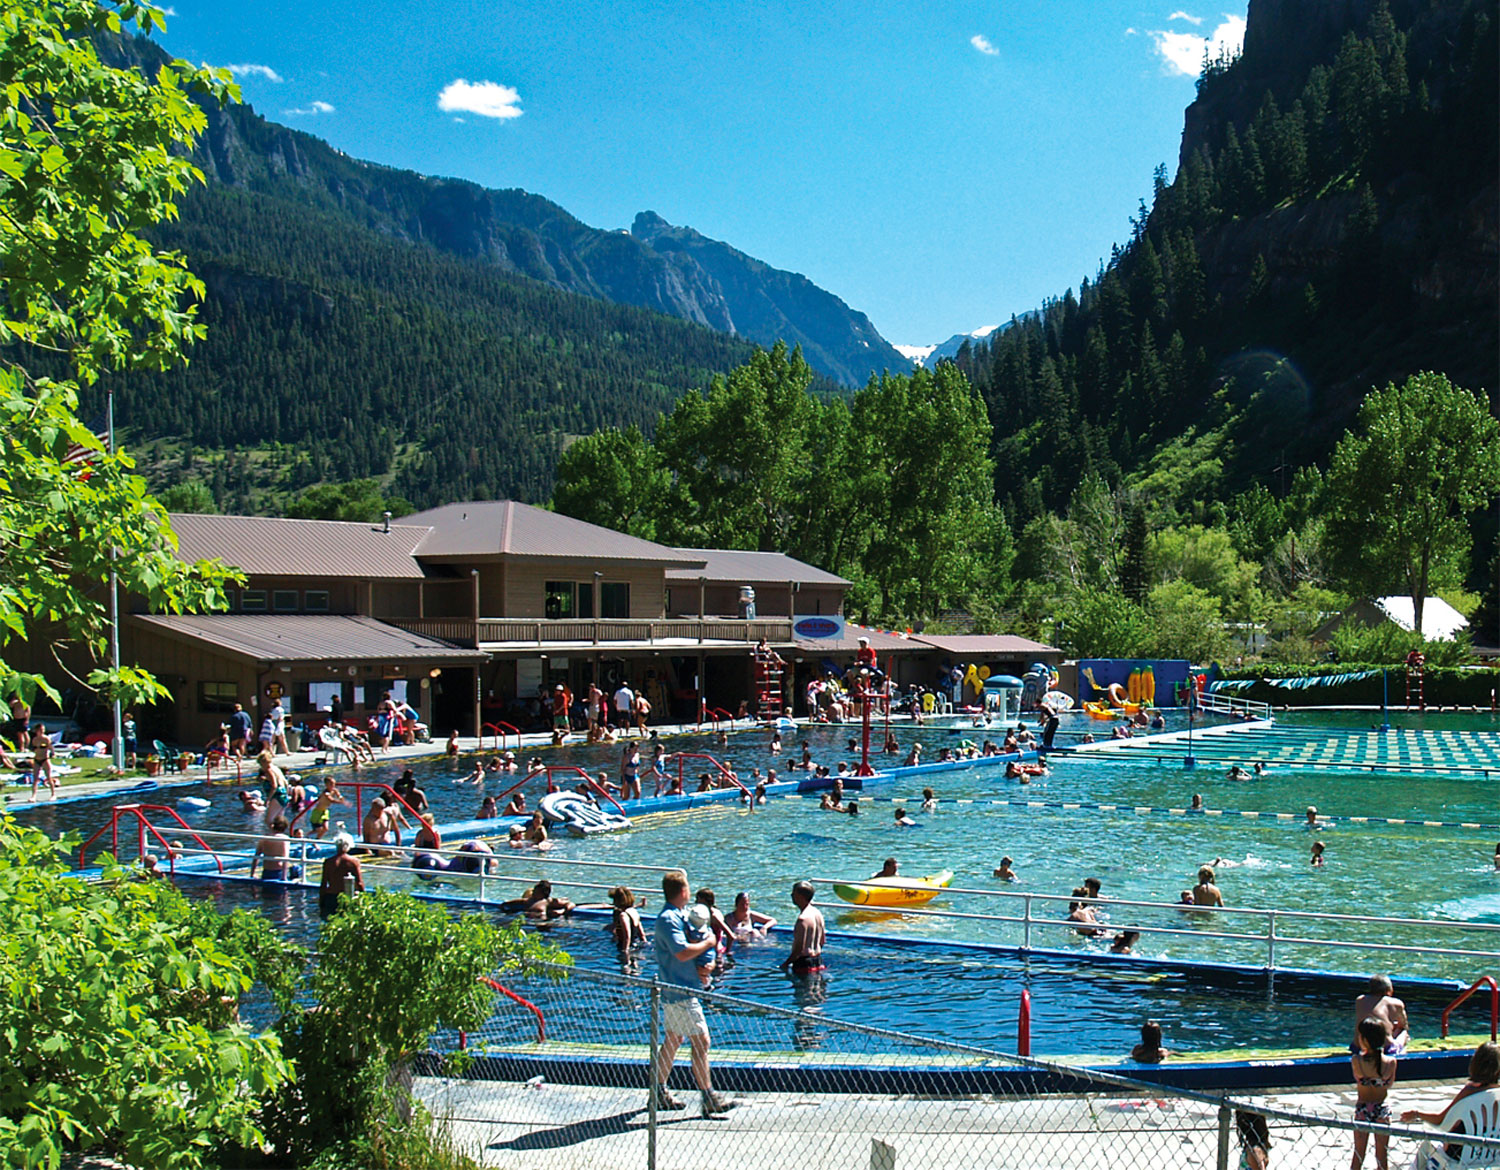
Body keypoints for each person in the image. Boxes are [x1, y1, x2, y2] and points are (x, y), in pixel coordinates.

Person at [651, 868, 734, 1115]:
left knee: (674, 1038)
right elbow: (682, 952)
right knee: (702, 1041)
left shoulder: (679, 916)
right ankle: (709, 1096)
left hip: (677, 989)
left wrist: (705, 963)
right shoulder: (668, 920)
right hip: (681, 993)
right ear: (684, 891)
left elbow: (689, 953)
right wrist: (709, 944)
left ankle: (658, 1091)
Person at [1399, 1040, 1500, 1161]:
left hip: (1462, 1153)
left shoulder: (1469, 1092)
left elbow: (1441, 1122)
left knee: (1427, 1146)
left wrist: (1417, 1114)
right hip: (1494, 1152)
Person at [1350, 1015, 1396, 1170]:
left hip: (1363, 1108)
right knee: (1382, 1156)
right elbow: (1388, 1084)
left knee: (1358, 1155)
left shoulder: (1357, 1061)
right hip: (1382, 1108)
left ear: (1364, 1039)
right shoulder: (1390, 1063)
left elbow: (1359, 1078)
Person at [1353, 975, 1410, 1054]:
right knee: (1403, 1031)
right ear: (1389, 989)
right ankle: (1401, 1049)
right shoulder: (1396, 1003)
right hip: (1386, 1049)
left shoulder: (1360, 1000)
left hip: (1358, 1047)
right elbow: (1403, 1025)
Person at [779, 880, 825, 975]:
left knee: (803, 990)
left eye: (793, 893)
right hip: (818, 961)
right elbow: (822, 941)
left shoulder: (803, 919)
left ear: (800, 896)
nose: (791, 895)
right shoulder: (818, 913)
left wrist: (785, 964)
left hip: (804, 965)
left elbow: (798, 950)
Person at [319, 832, 363, 918]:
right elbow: (359, 883)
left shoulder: (328, 862)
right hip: (346, 896)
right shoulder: (353, 861)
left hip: (330, 897)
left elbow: (323, 884)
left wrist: (321, 902)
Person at [250, 815, 300, 881]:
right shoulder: (284, 839)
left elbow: (256, 856)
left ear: (273, 826)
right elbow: (285, 858)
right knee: (297, 868)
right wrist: (284, 877)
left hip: (266, 870)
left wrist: (252, 873)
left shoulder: (264, 838)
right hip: (278, 871)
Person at [610, 886, 647, 951]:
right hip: (635, 945)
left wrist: (625, 951)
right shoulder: (634, 911)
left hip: (626, 946)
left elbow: (627, 937)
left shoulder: (623, 915)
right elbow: (642, 934)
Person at [29, 724, 55, 800]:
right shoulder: (35, 740)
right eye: (40, 730)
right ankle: (33, 796)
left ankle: (53, 794)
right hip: (37, 759)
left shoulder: (46, 739)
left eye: (43, 730)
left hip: (45, 759)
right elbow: (34, 749)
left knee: (48, 777)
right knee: (35, 778)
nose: (42, 731)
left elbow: (51, 748)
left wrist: (52, 754)